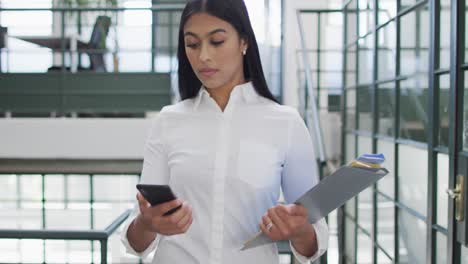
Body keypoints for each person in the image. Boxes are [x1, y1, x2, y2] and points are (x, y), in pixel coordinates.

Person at [120, 0, 328, 263]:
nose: (203, 56)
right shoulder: (168, 121)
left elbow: (313, 242)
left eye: (216, 41)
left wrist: (299, 231)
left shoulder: (286, 123)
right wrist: (147, 223)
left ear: (244, 42)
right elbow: (136, 243)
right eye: (192, 45)